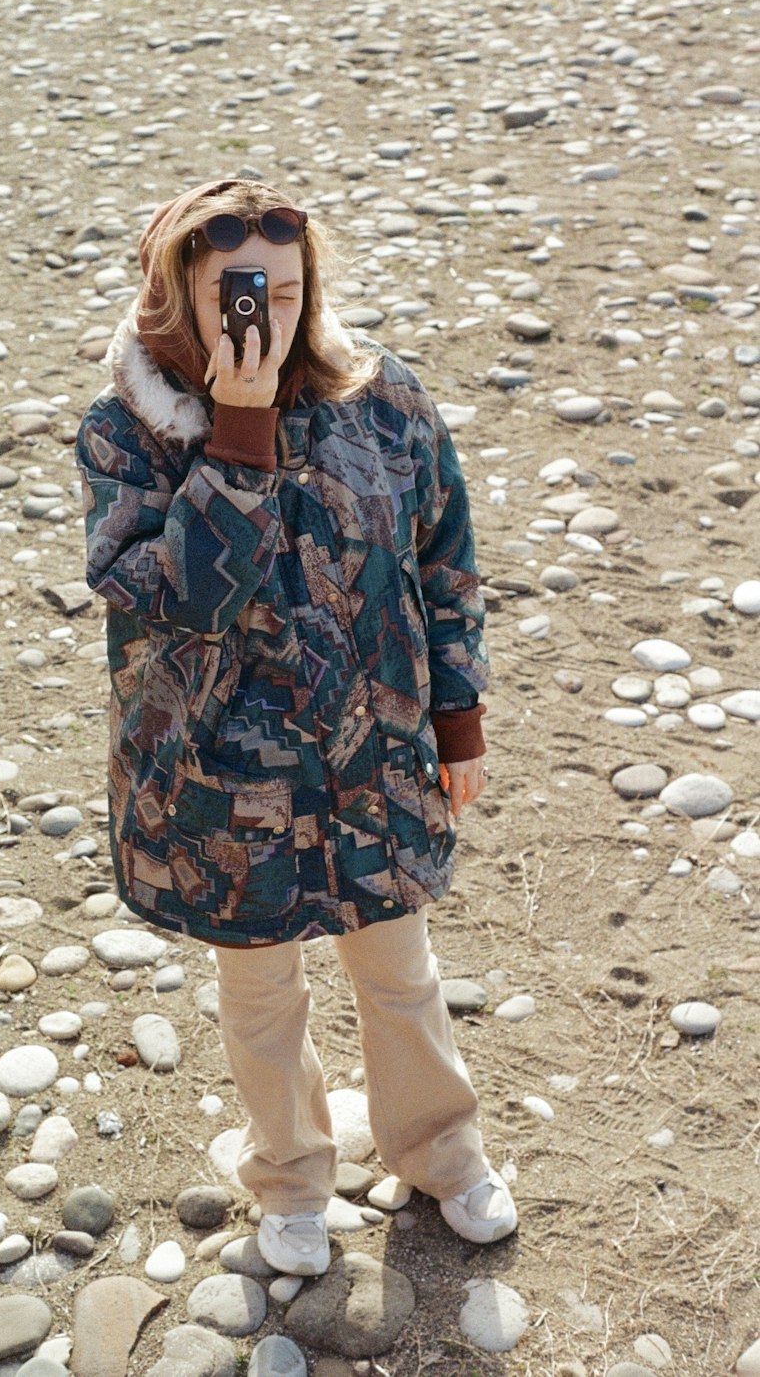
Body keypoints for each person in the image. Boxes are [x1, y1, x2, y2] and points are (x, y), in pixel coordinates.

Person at [75, 177, 518, 1278]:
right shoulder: (127, 435)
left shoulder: (383, 398)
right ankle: (292, 1176)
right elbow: (181, 593)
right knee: (261, 987)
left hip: (375, 750)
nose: (262, 311)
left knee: (398, 967)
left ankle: (440, 1151)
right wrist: (237, 422)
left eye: (282, 286)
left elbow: (444, 561)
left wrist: (456, 719)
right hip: (221, 780)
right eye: (236, 291)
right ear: (178, 292)